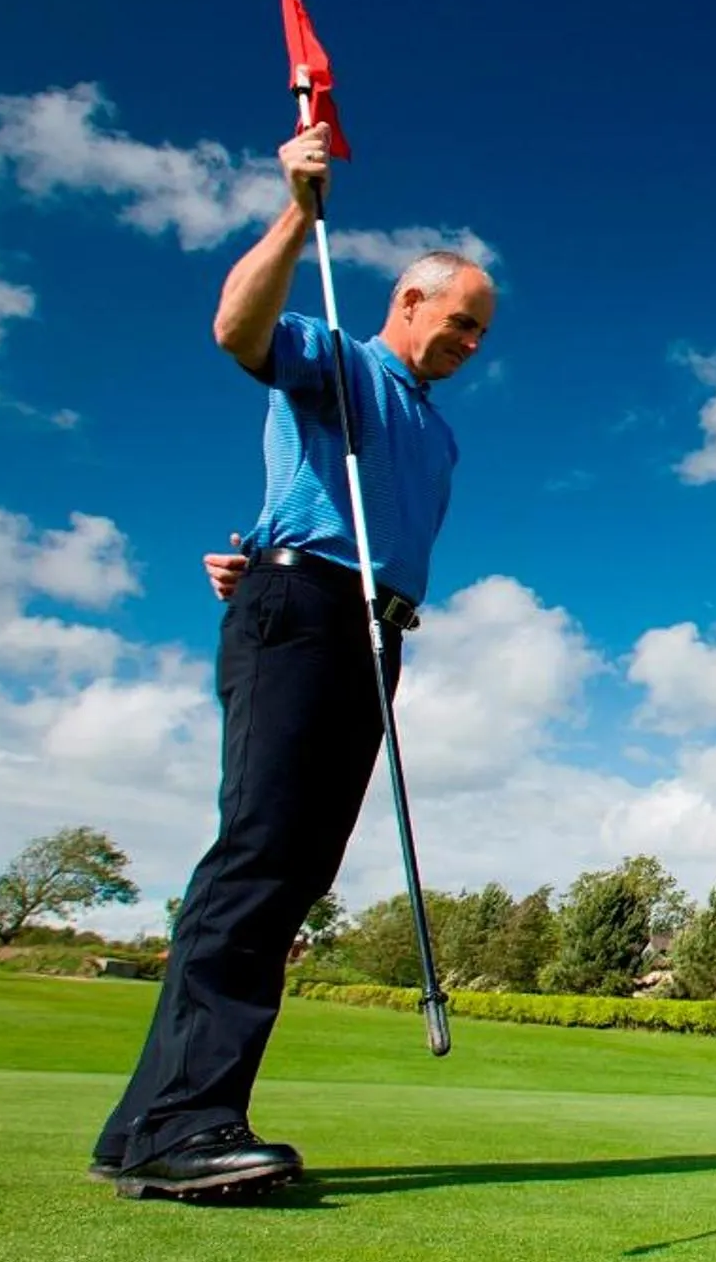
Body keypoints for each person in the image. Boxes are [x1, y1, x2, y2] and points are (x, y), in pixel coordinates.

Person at [93, 120, 495, 1200]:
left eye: (479, 334)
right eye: (457, 320)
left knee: (294, 870)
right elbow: (238, 329)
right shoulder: (339, 358)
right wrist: (295, 212)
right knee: (261, 855)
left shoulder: (437, 429)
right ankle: (187, 1122)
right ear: (408, 300)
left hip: (369, 632)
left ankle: (142, 1124)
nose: (467, 343)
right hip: (307, 611)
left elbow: (325, 502)